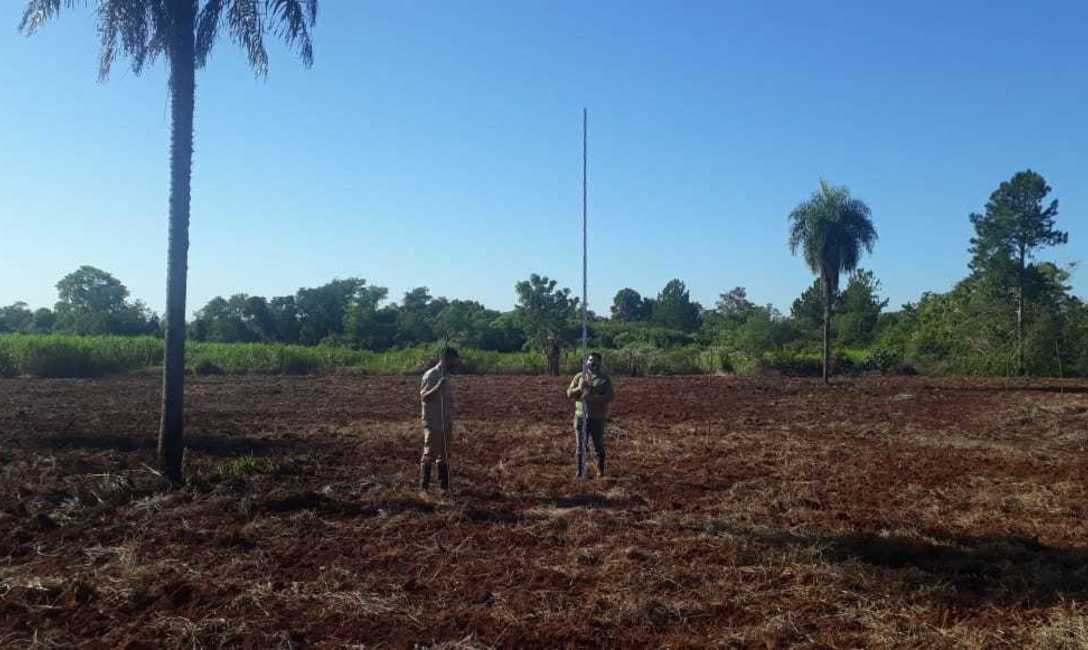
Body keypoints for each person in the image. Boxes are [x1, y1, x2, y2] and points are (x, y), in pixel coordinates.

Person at [566, 351, 614, 478]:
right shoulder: (579, 376)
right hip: (581, 417)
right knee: (580, 446)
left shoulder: (604, 379)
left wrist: (591, 396)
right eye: (590, 360)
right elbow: (569, 394)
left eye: (595, 360)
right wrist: (580, 388)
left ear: (599, 363)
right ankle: (580, 471)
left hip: (597, 417)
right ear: (586, 362)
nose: (592, 362)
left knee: (598, 445)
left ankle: (600, 471)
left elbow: (609, 396)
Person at [419, 346, 459, 492]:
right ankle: (423, 489)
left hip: (445, 422)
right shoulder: (431, 375)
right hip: (433, 422)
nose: (454, 364)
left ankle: (444, 489)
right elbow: (424, 397)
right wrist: (437, 386)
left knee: (445, 455)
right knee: (429, 455)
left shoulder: (446, 375)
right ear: (444, 358)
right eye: (452, 361)